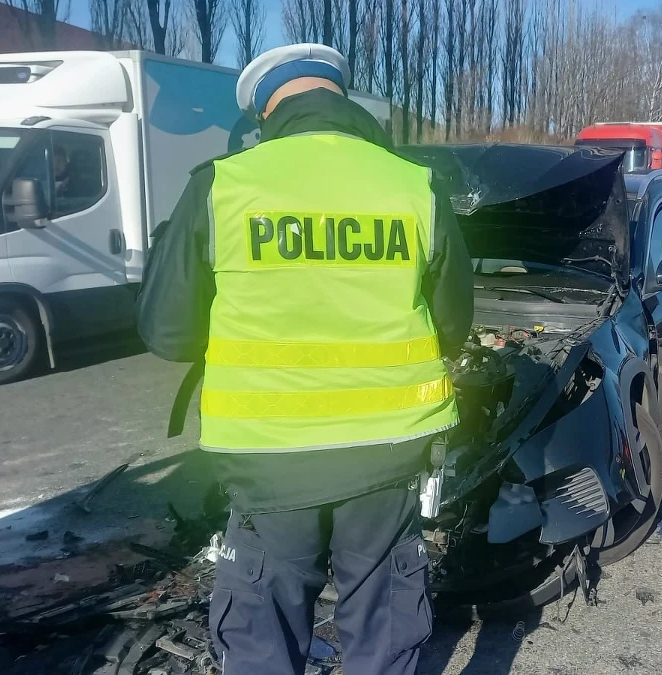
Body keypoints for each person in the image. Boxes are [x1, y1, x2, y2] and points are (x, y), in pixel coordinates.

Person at [135, 44, 473, 675]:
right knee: (384, 631)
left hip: (268, 459)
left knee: (264, 636)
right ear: (342, 100)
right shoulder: (413, 185)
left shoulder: (224, 185)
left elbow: (168, 334)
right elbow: (453, 326)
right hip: (389, 449)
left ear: (264, 111)